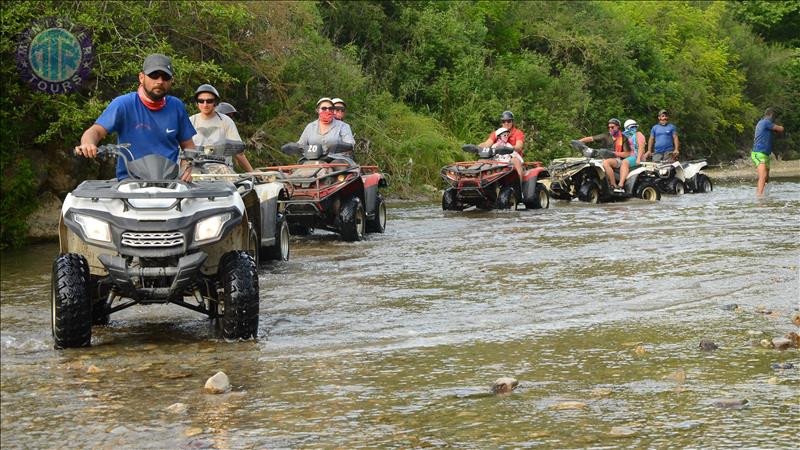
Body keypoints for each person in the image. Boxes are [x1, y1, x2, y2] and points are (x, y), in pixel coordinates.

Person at [75, 53, 195, 181]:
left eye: (165, 77)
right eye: (154, 75)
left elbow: (189, 147)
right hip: (130, 182)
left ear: (171, 81)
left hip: (169, 183)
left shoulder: (176, 106)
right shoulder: (123, 104)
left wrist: (186, 168)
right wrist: (88, 144)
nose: (160, 81)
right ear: (141, 77)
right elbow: (96, 131)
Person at [190, 84, 254, 172]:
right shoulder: (191, 121)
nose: (205, 104)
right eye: (201, 101)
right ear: (197, 103)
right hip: (196, 168)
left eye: (209, 101)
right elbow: (182, 150)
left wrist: (252, 172)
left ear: (215, 102)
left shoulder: (226, 121)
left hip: (221, 168)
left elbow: (238, 152)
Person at [478, 111, 525, 187]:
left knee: (515, 161)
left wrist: (508, 148)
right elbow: (487, 144)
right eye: (504, 121)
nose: (506, 123)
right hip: (498, 158)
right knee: (481, 161)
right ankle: (479, 185)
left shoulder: (518, 133)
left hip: (512, 157)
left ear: (512, 122)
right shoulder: (497, 133)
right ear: (501, 122)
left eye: (509, 121)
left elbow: (519, 146)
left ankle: (521, 186)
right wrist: (478, 147)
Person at [583, 118, 632, 191]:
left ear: (618, 127)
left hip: (618, 159)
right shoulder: (606, 136)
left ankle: (613, 185)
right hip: (604, 157)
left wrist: (613, 153)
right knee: (587, 162)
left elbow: (627, 154)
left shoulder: (624, 138)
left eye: (612, 127)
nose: (610, 129)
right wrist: (579, 141)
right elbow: (591, 138)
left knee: (606, 163)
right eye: (609, 127)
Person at [752, 107, 785, 196]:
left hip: (765, 155)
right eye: (774, 118)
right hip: (758, 153)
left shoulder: (762, 123)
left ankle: (765, 195)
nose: (774, 120)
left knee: (766, 178)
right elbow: (780, 129)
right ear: (770, 115)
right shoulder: (766, 122)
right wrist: (781, 126)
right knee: (762, 176)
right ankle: (759, 199)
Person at [616, 119, 647, 191]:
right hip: (629, 155)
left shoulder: (638, 134)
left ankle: (620, 185)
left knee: (625, 162)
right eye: (632, 127)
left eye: (635, 127)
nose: (634, 129)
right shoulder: (624, 136)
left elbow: (641, 147)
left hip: (637, 156)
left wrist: (638, 158)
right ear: (627, 128)